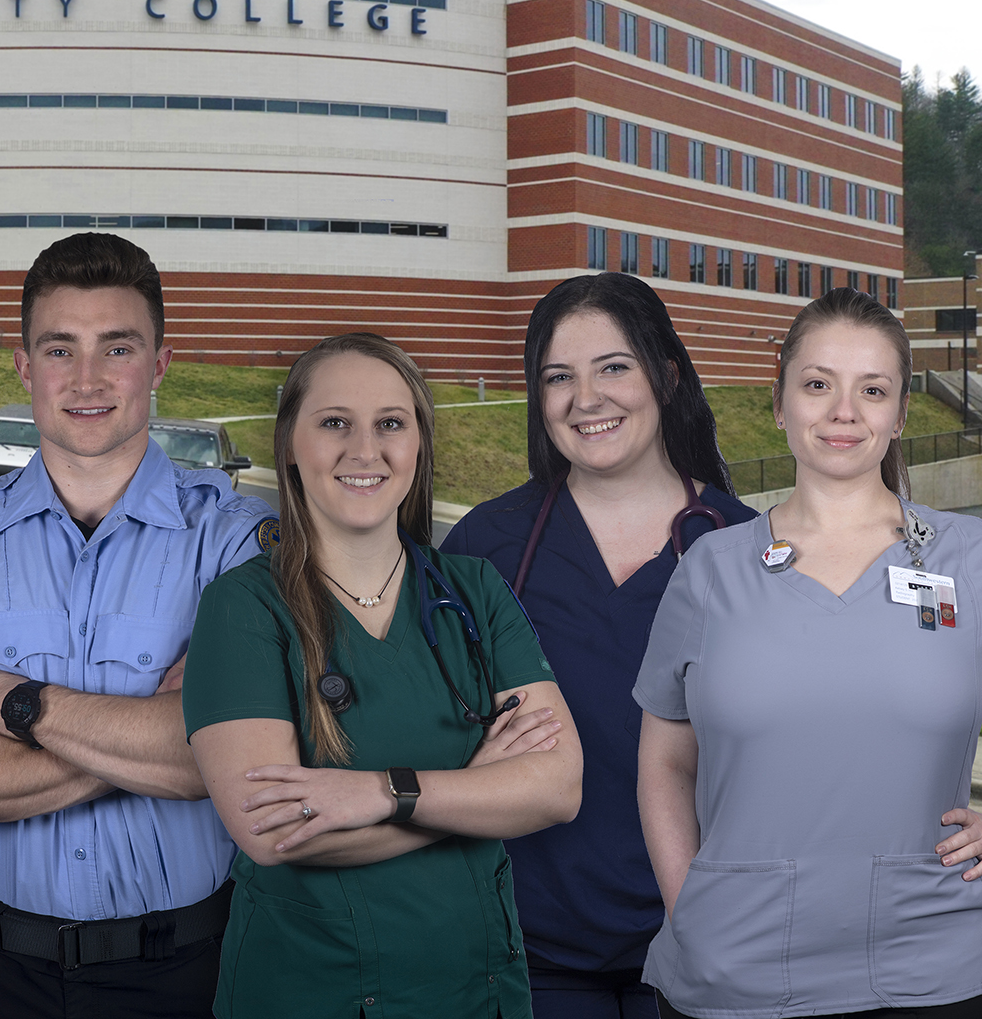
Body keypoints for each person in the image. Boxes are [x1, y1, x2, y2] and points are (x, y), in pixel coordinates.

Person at [0, 233, 278, 1019]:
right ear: (25, 367)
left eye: (117, 347)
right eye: (60, 349)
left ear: (159, 363)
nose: (87, 380)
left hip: (194, 977)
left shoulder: (232, 541)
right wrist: (165, 739)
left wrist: (17, 706)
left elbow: (237, 759)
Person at [182, 332, 582, 1019]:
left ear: (418, 444)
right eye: (335, 422)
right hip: (312, 995)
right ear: (289, 444)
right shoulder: (243, 608)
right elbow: (273, 831)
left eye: (390, 424)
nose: (364, 451)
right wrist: (477, 796)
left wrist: (379, 792)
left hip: (480, 993)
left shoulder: (474, 591)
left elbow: (558, 787)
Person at [637, 288, 982, 1019]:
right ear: (780, 403)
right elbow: (665, 760)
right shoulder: (709, 570)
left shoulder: (969, 559)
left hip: (938, 964)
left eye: (873, 390)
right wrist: (687, 906)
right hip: (736, 968)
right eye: (818, 384)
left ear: (898, 417)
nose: (844, 412)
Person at [443, 273, 755, 1019]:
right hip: (526, 950)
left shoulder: (750, 550)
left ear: (667, 375)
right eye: (559, 377)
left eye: (613, 366)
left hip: (706, 941)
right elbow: (424, 713)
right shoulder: (486, 546)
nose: (586, 399)